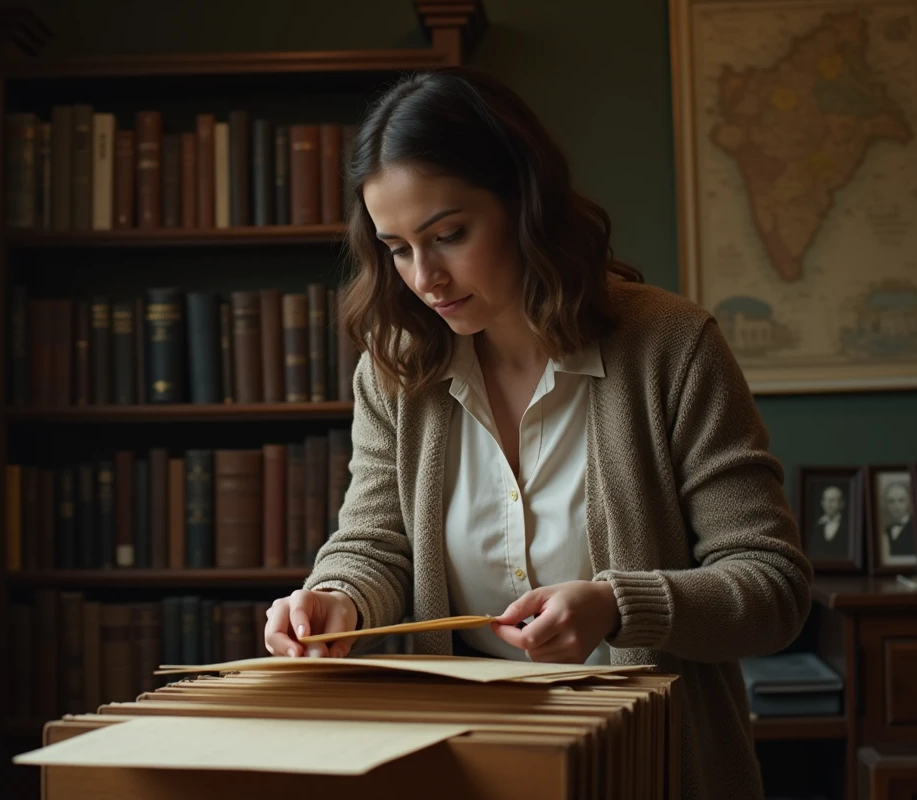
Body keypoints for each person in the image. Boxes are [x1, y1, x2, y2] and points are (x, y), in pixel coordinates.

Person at [262, 66, 813, 800]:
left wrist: (617, 606)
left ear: (526, 205)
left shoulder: (672, 347)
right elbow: (375, 543)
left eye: (449, 235)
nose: (424, 278)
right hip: (461, 771)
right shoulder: (395, 369)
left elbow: (773, 590)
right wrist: (338, 598)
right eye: (397, 248)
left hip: (655, 768)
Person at [809, 485, 848, 559]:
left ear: (841, 503)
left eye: (832, 500)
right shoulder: (816, 526)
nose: (828, 504)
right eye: (825, 500)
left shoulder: (849, 526)